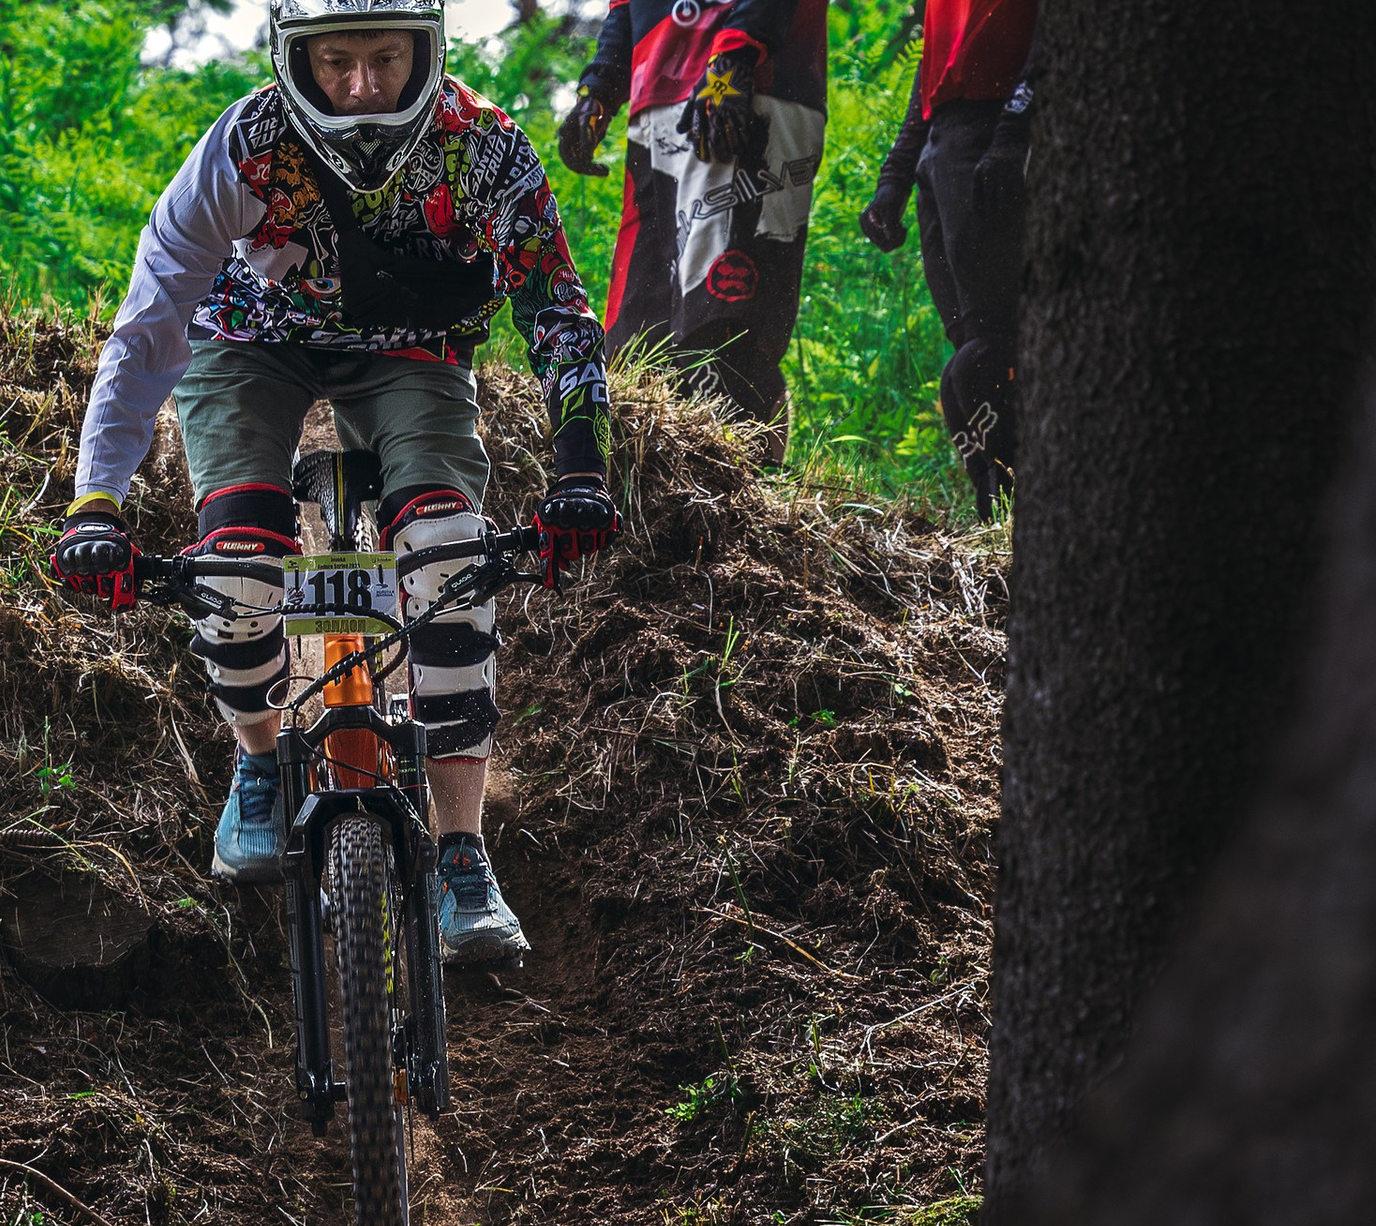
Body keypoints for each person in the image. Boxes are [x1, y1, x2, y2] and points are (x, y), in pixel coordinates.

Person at [52, 0, 619, 968]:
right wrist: (94, 502)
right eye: (339, 63)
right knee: (233, 571)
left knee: (447, 562)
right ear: (295, 60)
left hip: (415, 357)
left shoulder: (486, 153)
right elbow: (149, 326)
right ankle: (260, 758)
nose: (361, 88)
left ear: (426, 51)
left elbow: (558, 315)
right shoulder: (243, 149)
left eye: (386, 60)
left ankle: (461, 852)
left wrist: (579, 474)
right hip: (248, 343)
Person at [556, 0, 830, 429]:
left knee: (722, 320)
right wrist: (599, 89)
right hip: (658, 96)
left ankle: (745, 479)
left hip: (754, 78)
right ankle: (652, 492)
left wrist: (738, 52)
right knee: (639, 331)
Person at [860, 0, 1036, 519]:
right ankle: (995, 522)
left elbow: (1061, 32)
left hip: (993, 124)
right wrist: (896, 172)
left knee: (988, 352)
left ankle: (1022, 523)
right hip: (944, 142)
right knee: (966, 360)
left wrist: (1011, 136)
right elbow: (933, 68)